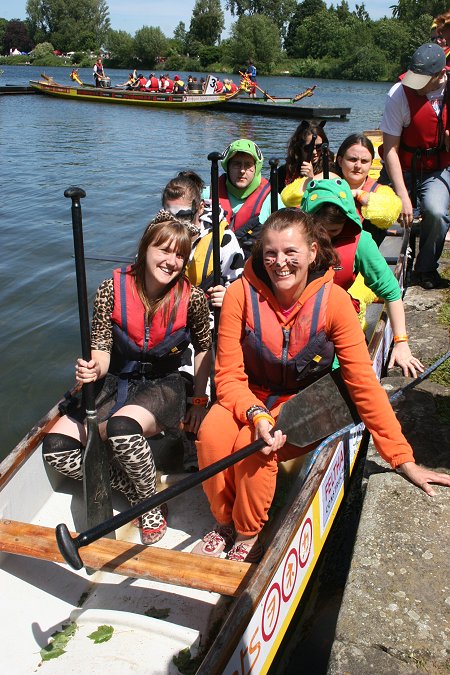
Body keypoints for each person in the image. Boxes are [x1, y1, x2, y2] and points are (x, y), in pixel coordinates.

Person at [192, 208, 449, 562]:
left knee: (254, 445)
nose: (279, 263)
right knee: (211, 435)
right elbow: (229, 376)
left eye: (290, 253)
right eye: (270, 253)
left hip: (306, 401)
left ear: (312, 252)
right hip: (248, 397)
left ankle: (247, 533)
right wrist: (254, 411)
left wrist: (403, 459)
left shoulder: (335, 303)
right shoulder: (239, 294)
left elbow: (363, 385)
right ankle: (224, 519)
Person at [42, 213, 212, 545]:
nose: (171, 261)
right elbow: (102, 350)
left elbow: (205, 349)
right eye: (163, 250)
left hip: (163, 384)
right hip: (115, 378)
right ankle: (127, 484)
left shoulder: (192, 298)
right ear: (145, 248)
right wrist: (92, 370)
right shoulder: (110, 289)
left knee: (121, 429)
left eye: (180, 254)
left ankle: (150, 502)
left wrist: (200, 399)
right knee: (56, 449)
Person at [162, 171, 245, 470]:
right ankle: (178, 432)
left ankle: (201, 441)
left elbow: (242, 284)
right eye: (169, 214)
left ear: (199, 208)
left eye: (183, 214)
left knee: (199, 373)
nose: (176, 222)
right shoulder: (160, 233)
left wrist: (229, 294)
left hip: (211, 318)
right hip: (171, 317)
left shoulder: (222, 239)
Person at [301, 178, 423, 378]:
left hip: (338, 326)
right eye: (318, 230)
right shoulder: (290, 238)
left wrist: (401, 342)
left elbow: (391, 291)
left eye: (333, 232)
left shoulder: (361, 242)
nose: (325, 238)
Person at [380, 42, 450, 290]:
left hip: (437, 169)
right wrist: (402, 195)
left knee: (436, 211)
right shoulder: (399, 93)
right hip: (402, 166)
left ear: (440, 75)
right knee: (382, 213)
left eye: (422, 81)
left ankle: (426, 269)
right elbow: (390, 149)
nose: (414, 85)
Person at [204, 139, 284, 259]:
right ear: (228, 167)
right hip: (213, 264)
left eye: (248, 165)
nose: (242, 170)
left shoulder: (272, 199)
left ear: (256, 168)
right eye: (236, 164)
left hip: (253, 265)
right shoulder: (207, 195)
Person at [334, 133, 402, 247]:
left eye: (364, 161)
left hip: (366, 259)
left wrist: (359, 194)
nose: (358, 166)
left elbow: (391, 213)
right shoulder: (328, 184)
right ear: (340, 161)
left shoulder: (380, 190)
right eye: (352, 159)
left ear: (370, 164)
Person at [279, 121, 334, 201]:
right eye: (309, 148)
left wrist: (311, 179)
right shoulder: (283, 172)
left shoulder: (331, 169)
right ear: (298, 148)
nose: (314, 152)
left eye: (319, 147)